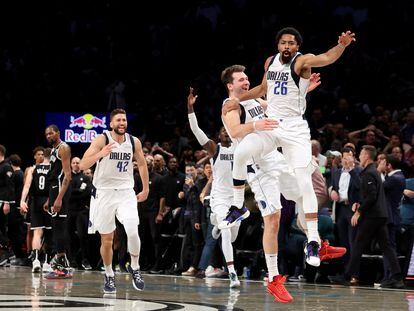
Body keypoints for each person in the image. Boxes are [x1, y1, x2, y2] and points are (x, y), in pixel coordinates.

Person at [222, 28, 356, 267]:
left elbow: (327, 57)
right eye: (283, 43)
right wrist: (237, 100)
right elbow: (264, 90)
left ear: (297, 46)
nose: (286, 47)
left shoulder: (302, 61)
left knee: (304, 183)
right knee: (241, 152)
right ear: (277, 45)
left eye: (291, 43)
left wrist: (342, 46)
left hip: (295, 128)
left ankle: (313, 241)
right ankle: (237, 205)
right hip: (272, 124)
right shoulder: (270, 62)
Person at [79, 108, 149, 294]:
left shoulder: (134, 142)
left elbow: (141, 163)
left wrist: (146, 188)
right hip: (104, 192)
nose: (122, 123)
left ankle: (135, 267)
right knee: (107, 238)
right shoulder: (102, 139)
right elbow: (83, 164)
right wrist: (101, 153)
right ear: (111, 123)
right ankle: (109, 274)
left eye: (124, 120)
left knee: (133, 229)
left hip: (126, 191)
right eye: (118, 120)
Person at [186, 87, 241, 287]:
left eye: (229, 129)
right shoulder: (214, 149)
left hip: (237, 199)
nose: (226, 132)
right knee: (227, 230)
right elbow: (196, 131)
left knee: (232, 235)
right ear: (219, 135)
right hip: (219, 198)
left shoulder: (241, 146)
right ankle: (233, 272)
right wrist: (190, 109)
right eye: (223, 130)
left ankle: (216, 225)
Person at [347, 145, 404, 288]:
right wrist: (359, 204)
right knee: (386, 247)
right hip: (380, 215)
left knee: (358, 245)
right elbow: (371, 195)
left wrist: (359, 212)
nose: (359, 156)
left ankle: (347, 275)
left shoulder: (369, 173)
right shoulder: (374, 172)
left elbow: (372, 196)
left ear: (366, 155)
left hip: (373, 216)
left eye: (360, 153)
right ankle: (397, 277)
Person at [44, 125, 72, 278]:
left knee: (60, 228)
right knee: (56, 228)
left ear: (58, 133)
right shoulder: (53, 150)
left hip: (61, 190)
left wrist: (59, 198)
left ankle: (63, 266)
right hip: (54, 189)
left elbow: (67, 176)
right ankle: (61, 263)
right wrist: (50, 198)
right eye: (46, 134)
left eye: (51, 133)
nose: (48, 136)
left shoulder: (64, 148)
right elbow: (55, 174)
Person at [20, 148, 52, 273]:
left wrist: (22, 201)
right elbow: (54, 188)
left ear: (43, 156)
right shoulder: (53, 169)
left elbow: (27, 186)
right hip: (48, 202)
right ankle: (47, 262)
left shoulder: (33, 169)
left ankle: (36, 260)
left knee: (37, 232)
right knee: (49, 233)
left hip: (35, 202)